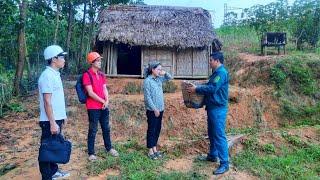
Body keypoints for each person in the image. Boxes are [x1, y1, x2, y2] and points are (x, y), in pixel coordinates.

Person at [186, 52, 230, 175]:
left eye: (210, 60)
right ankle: (212, 155)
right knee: (212, 133)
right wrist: (199, 86)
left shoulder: (221, 73)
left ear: (217, 61)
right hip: (212, 108)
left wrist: (196, 89)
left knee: (219, 134)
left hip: (218, 109)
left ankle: (225, 163)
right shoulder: (216, 74)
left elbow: (213, 88)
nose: (209, 62)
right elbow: (210, 85)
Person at [38, 45, 70, 179]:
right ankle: (47, 176)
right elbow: (47, 101)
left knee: (53, 146)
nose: (64, 60)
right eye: (62, 57)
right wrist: (52, 123)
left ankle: (53, 171)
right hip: (49, 120)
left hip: (56, 118)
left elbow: (56, 100)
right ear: (54, 59)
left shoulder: (54, 74)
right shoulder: (47, 76)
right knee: (46, 149)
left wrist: (63, 116)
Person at [83, 52, 119, 161]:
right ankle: (91, 153)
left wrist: (107, 100)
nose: (100, 62)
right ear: (92, 62)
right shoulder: (87, 75)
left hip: (103, 106)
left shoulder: (102, 75)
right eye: (98, 60)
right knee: (93, 130)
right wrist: (102, 100)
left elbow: (104, 89)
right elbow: (90, 93)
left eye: (100, 60)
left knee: (106, 128)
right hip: (93, 107)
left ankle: (109, 148)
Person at [143, 61, 172, 160]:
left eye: (161, 69)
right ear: (153, 70)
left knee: (157, 129)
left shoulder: (159, 79)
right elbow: (147, 98)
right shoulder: (147, 81)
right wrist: (154, 109)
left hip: (161, 108)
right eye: (158, 69)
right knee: (152, 129)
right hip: (152, 110)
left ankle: (154, 148)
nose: (160, 71)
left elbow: (170, 78)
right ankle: (150, 150)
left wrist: (165, 73)